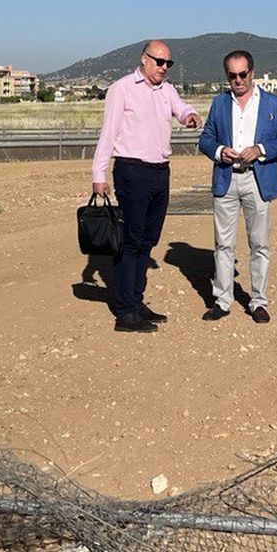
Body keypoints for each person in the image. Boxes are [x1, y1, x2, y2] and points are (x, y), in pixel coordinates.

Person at [90, 39, 201, 333]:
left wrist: (190, 115)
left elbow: (181, 108)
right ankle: (125, 312)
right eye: (160, 62)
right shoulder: (122, 88)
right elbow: (109, 131)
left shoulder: (167, 90)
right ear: (144, 59)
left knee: (148, 241)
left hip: (160, 173)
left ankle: (136, 302)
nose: (164, 68)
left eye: (168, 64)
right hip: (131, 171)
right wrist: (98, 173)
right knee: (130, 242)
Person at [196, 51, 277, 324]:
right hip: (226, 179)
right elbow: (205, 139)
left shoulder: (274, 104)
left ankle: (258, 301)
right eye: (232, 75)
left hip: (258, 179)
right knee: (223, 245)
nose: (238, 80)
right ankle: (223, 300)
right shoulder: (219, 104)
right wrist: (218, 151)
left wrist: (260, 149)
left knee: (260, 244)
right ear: (226, 75)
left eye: (243, 74)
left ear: (252, 73)